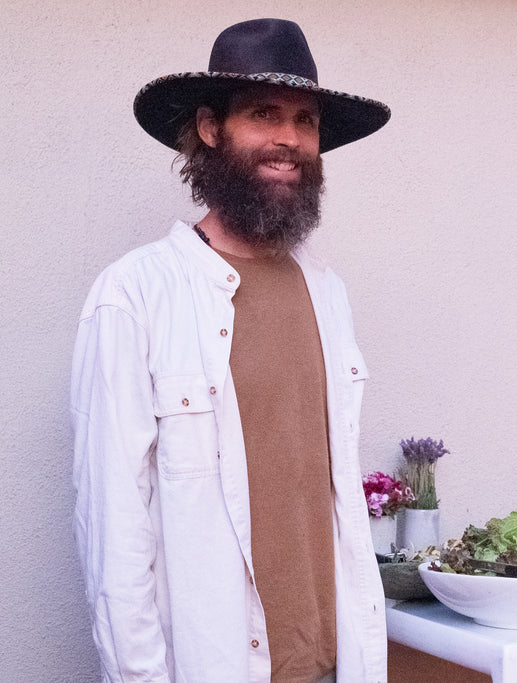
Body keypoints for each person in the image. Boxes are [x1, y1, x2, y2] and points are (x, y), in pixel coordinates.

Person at [71, 19, 390, 683]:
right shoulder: (135, 295)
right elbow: (113, 531)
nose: (289, 139)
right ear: (211, 128)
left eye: (305, 120)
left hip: (332, 665)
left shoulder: (327, 292)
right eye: (264, 114)